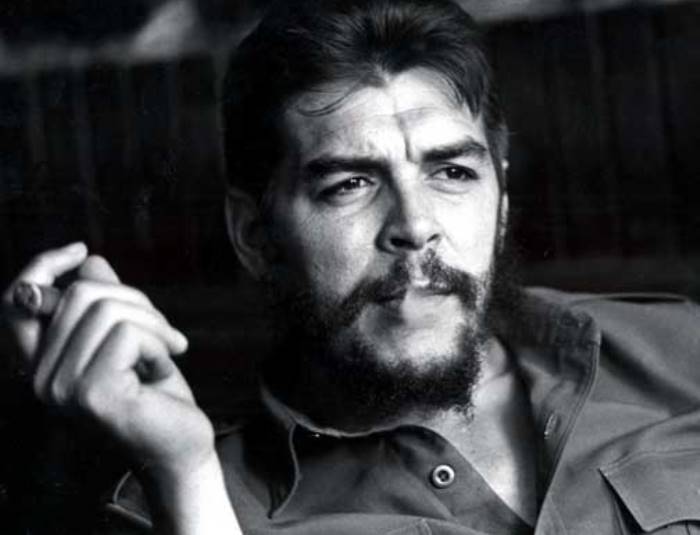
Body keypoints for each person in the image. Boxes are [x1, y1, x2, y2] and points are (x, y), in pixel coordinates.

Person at [3, 0, 700, 533]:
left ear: (503, 201)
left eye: (453, 172)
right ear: (254, 234)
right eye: (350, 184)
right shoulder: (186, 500)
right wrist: (185, 474)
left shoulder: (679, 350)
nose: (415, 225)